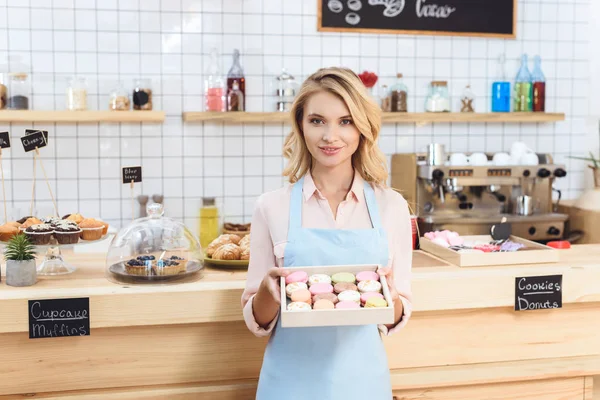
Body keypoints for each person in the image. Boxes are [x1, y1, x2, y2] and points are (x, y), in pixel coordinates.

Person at [241, 67, 413, 399]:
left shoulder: (392, 207)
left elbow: (396, 318)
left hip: (363, 382)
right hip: (288, 384)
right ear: (301, 126)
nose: (330, 136)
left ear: (363, 128)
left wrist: (390, 296)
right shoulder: (270, 207)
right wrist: (267, 293)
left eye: (345, 121)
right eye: (317, 120)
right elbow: (256, 320)